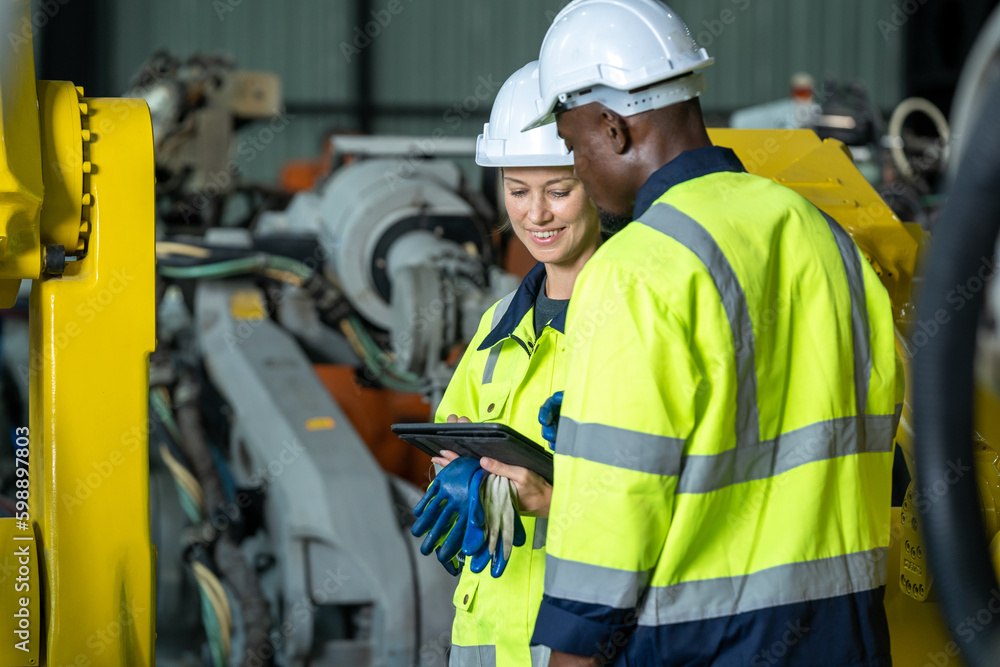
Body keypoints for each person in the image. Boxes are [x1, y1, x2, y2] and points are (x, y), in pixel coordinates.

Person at [522, 1, 902, 665]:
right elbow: (881, 452)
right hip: (850, 634)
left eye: (572, 144)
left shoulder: (635, 267)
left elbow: (614, 511)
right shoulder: (823, 236)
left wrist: (572, 652)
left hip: (703, 645)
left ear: (612, 129)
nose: (576, 168)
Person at [414, 60, 603, 666]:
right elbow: (453, 437)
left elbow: (670, 489)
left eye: (558, 190)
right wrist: (459, 476)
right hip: (484, 640)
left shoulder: (635, 316)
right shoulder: (500, 321)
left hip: (582, 637)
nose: (535, 215)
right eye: (517, 191)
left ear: (598, 182)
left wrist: (556, 499)